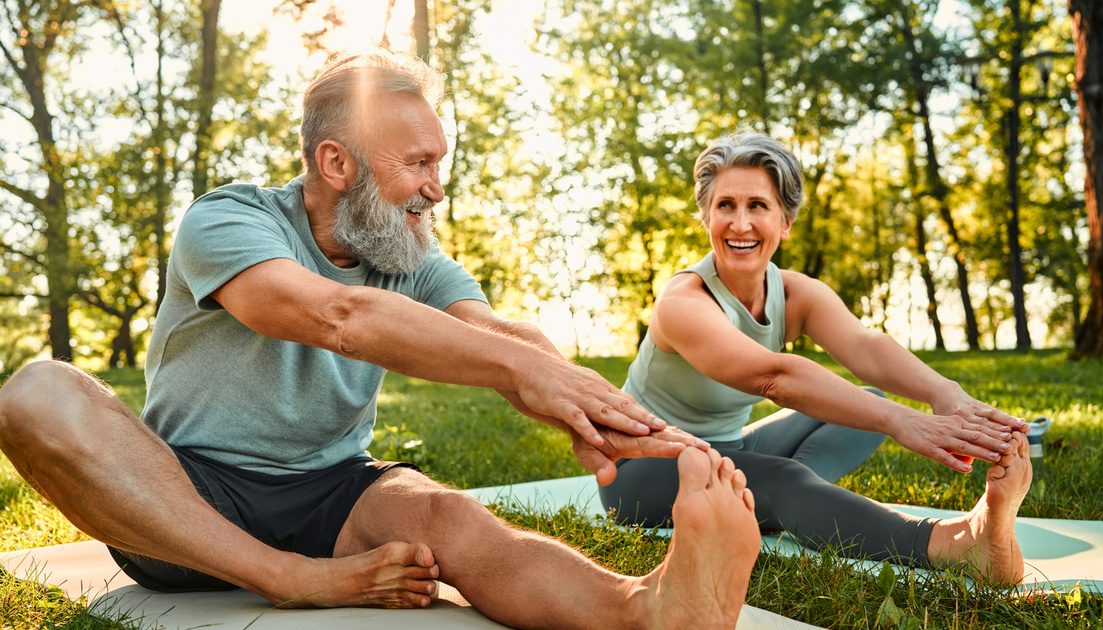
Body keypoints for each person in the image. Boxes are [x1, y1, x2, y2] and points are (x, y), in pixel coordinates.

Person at [0, 51, 763, 629]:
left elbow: (495, 332)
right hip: (186, 495)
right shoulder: (230, 220)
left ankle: (647, 609)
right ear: (336, 163)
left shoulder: (408, 252)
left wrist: (585, 403)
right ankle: (285, 576)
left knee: (451, 519)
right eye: (421, 164)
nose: (437, 186)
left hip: (335, 491)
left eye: (441, 163)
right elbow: (339, 318)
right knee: (35, 393)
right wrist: (516, 368)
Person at [599, 132, 1034, 585]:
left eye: (758, 206)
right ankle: (958, 544)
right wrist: (903, 421)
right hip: (640, 469)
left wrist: (947, 395)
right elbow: (773, 377)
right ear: (706, 217)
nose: (740, 223)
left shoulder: (792, 292)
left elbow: (866, 348)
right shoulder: (683, 301)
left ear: (785, 222)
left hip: (726, 449)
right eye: (725, 205)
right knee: (786, 477)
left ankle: (776, 500)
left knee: (860, 404)